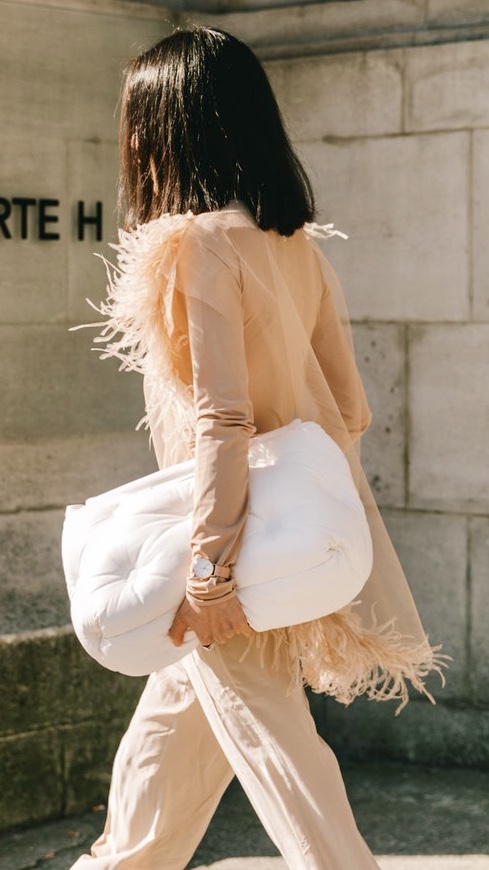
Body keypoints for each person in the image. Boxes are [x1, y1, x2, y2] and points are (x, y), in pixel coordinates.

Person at [71, 26, 446, 869]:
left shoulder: (196, 244)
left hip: (224, 549)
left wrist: (210, 572)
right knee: (170, 737)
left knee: (279, 749)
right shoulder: (291, 245)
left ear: (168, 127)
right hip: (266, 531)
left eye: (136, 120)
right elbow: (348, 409)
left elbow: (221, 420)